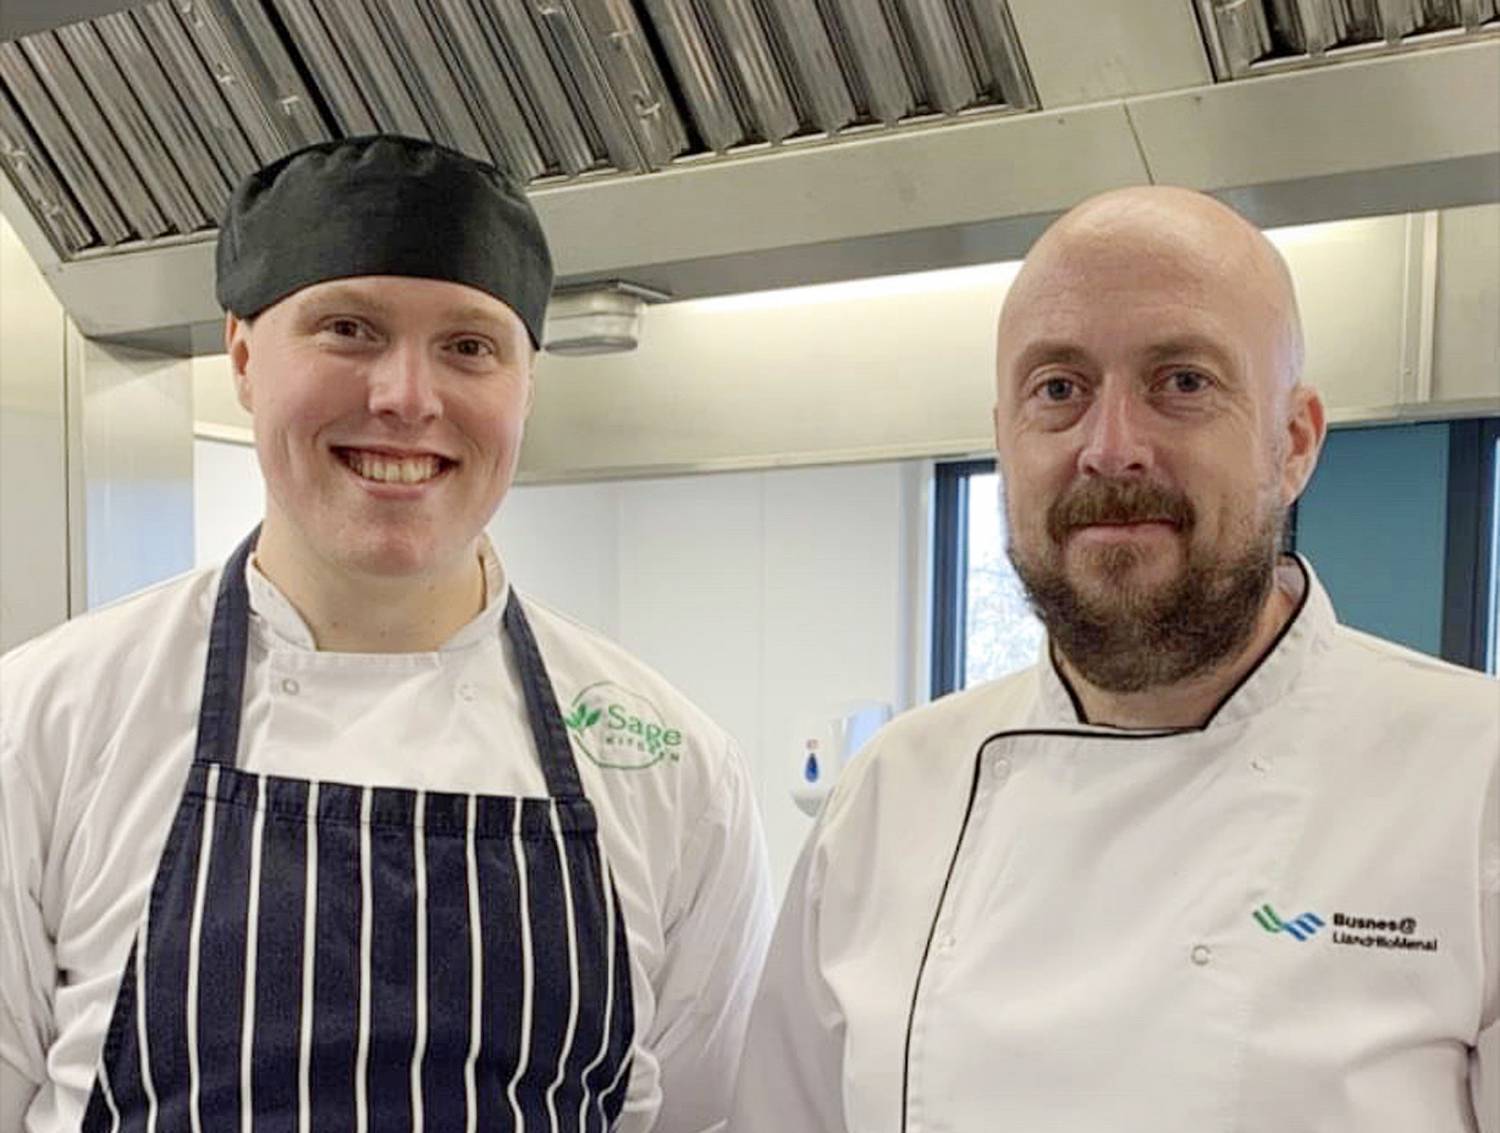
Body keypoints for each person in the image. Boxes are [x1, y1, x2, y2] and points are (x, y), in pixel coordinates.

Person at [0, 134, 773, 1133]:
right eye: (350, 328)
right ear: (242, 354)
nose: (407, 396)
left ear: (526, 382)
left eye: (469, 345)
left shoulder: (675, 772)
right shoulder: (47, 721)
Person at [728, 187, 1499, 1132]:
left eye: (1182, 382)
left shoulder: (1474, 775)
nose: (1112, 449)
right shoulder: (890, 794)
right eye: (1059, 389)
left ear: (1292, 443)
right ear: (1006, 438)